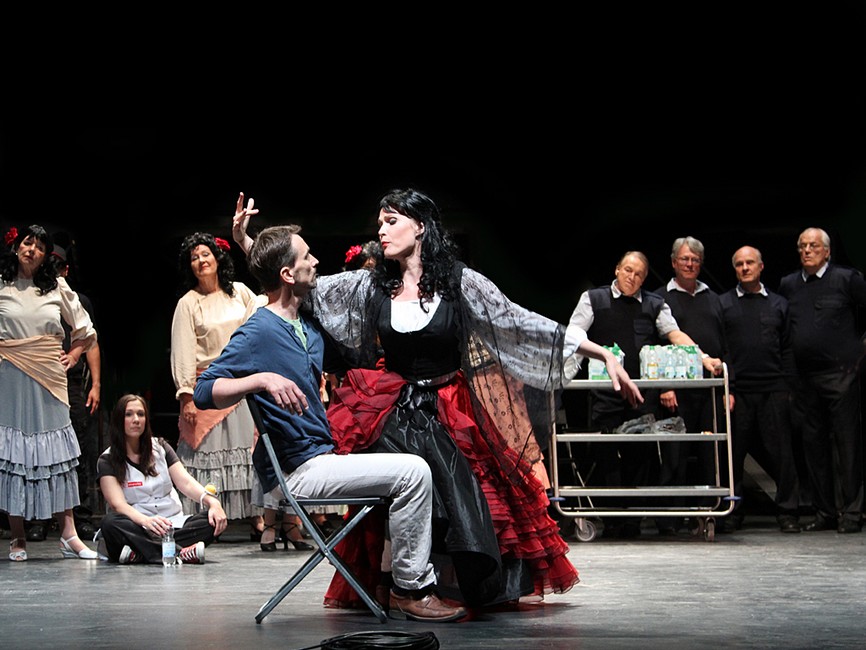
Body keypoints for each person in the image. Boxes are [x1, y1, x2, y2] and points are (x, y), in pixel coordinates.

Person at [232, 189, 642, 610]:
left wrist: (600, 353)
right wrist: (249, 243)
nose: (382, 230)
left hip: (448, 405)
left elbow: (519, 321)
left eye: (392, 221)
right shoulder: (372, 284)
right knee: (406, 474)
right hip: (393, 407)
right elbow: (298, 280)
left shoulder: (460, 282)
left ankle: (449, 586)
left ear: (421, 227)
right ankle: (402, 587)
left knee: (465, 490)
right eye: (380, 222)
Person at [194, 223, 468, 622]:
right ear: (288, 274)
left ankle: (386, 580)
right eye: (306, 256)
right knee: (413, 473)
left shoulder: (307, 327)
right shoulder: (259, 330)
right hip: (299, 471)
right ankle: (411, 589)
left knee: (409, 452)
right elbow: (204, 390)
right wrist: (261, 379)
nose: (316, 260)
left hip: (322, 457)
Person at [567, 250, 720, 538]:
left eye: (638, 274)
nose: (631, 277)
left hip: (641, 394)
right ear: (617, 269)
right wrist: (564, 373)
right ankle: (612, 519)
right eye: (627, 270)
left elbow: (675, 335)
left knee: (640, 456)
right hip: (605, 391)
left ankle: (632, 521)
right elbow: (575, 336)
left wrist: (703, 358)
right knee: (606, 455)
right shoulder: (593, 299)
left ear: (645, 278)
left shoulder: (655, 304)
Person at [170, 232, 306, 551]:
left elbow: (261, 316)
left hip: (242, 380)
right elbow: (183, 349)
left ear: (218, 259)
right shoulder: (188, 303)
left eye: (205, 254)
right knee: (208, 456)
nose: (201, 261)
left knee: (248, 453)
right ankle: (211, 517)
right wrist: (186, 394)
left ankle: (257, 517)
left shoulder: (241, 293)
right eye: (194, 257)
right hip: (210, 384)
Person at [0, 224, 99, 561]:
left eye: (40, 246)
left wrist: (74, 353)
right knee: (14, 454)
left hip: (50, 376)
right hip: (11, 376)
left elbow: (85, 329)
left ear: (45, 255)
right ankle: (17, 536)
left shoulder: (56, 286)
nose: (32, 250)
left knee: (56, 453)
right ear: (16, 247)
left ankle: (69, 534)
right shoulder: (2, 285)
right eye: (28, 243)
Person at [778, 227, 866, 534]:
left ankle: (852, 513)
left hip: (841, 376)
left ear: (827, 251)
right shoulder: (789, 284)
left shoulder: (847, 279)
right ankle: (825, 511)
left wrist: (858, 355)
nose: (807, 250)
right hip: (805, 379)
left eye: (813, 246)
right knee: (813, 446)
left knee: (847, 444)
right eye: (802, 246)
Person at [719, 246, 801, 533]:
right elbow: (721, 348)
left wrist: (788, 386)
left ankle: (788, 511)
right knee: (734, 456)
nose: (745, 268)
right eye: (739, 264)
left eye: (750, 263)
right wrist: (728, 387)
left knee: (782, 454)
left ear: (761, 266)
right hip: (737, 392)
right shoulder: (723, 304)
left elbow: (788, 348)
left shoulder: (779, 304)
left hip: (773, 389)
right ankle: (733, 511)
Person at [652, 236, 730, 533]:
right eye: (685, 259)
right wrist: (665, 386)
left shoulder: (714, 299)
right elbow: (655, 345)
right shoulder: (660, 298)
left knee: (711, 453)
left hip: (708, 390)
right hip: (676, 391)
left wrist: (728, 389)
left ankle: (709, 513)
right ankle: (670, 519)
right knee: (675, 455)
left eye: (695, 260)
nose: (689, 264)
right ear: (674, 262)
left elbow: (725, 344)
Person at [97, 394, 227, 563]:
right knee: (110, 523)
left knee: (211, 521)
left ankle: (141, 553)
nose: (136, 420)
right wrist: (146, 521)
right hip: (138, 525)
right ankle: (178, 553)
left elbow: (186, 483)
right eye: (128, 414)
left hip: (171, 525)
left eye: (140, 414)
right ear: (118, 420)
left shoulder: (160, 447)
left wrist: (213, 503)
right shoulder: (107, 459)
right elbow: (118, 504)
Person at [55, 242, 103, 538]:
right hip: (37, 376)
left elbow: (91, 342)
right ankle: (38, 519)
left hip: (71, 381)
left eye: (57, 266)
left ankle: (82, 513)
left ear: (65, 270)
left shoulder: (77, 300)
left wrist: (95, 384)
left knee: (78, 447)